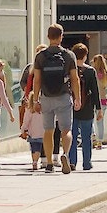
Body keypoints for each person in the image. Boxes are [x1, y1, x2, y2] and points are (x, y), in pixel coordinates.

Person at [31, 24, 80, 174]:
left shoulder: (40, 56)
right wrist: (77, 98)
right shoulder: (68, 55)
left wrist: (35, 100)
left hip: (46, 97)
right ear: (61, 37)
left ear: (48, 37)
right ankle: (65, 154)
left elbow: (37, 80)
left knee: (48, 130)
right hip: (64, 95)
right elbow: (75, 78)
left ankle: (49, 163)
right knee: (66, 129)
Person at [68, 44, 101, 171]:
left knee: (72, 136)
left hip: (72, 108)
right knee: (87, 137)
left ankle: (72, 161)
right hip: (87, 108)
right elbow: (95, 91)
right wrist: (98, 109)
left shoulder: (70, 70)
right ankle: (87, 163)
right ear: (85, 56)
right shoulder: (90, 71)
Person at [20, 93, 46, 171]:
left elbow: (25, 122)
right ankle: (39, 161)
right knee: (39, 148)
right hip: (42, 133)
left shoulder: (29, 111)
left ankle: (34, 161)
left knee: (34, 148)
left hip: (32, 133)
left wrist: (23, 130)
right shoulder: (44, 111)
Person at [91, 54, 107, 149]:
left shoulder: (94, 74)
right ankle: (100, 141)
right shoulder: (106, 74)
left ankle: (93, 136)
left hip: (95, 99)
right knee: (100, 122)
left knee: (91, 120)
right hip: (104, 100)